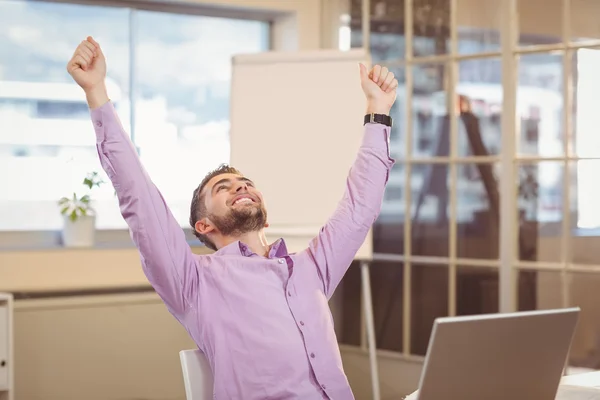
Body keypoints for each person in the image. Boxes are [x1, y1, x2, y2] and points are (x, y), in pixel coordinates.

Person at [67, 36, 398, 400]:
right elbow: (138, 197)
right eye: (223, 188)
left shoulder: (312, 268)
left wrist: (377, 111)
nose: (240, 187)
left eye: (245, 183)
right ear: (204, 226)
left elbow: (360, 206)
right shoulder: (193, 281)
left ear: (264, 216)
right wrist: (96, 92)